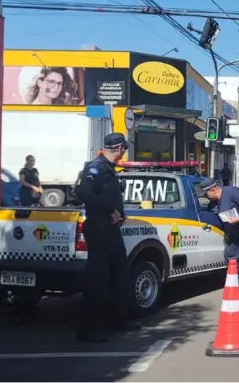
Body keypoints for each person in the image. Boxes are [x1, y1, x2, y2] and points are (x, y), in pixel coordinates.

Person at [74, 133, 139, 342]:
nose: (124, 153)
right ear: (119, 148)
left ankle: (119, 320)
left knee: (121, 274)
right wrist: (110, 210)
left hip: (111, 231)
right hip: (99, 228)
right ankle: (88, 329)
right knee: (97, 279)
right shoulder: (96, 167)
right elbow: (83, 192)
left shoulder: (109, 169)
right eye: (124, 149)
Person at [200, 178, 239, 296]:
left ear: (213, 190)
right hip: (234, 224)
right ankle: (238, 279)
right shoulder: (214, 202)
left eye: (206, 193)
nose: (205, 196)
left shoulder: (231, 192)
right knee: (231, 251)